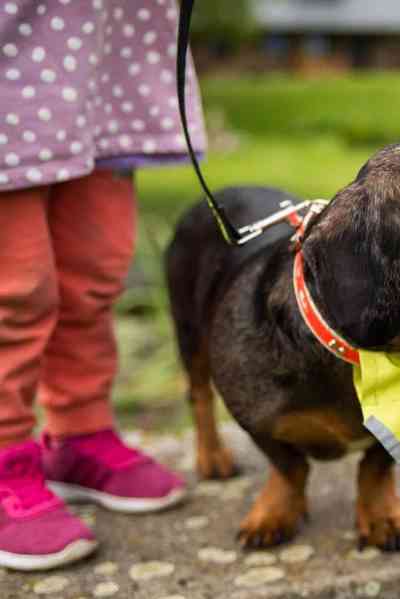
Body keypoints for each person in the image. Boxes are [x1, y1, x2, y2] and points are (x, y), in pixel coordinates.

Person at [0, 0, 207, 571]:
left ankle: (79, 431)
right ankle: (5, 460)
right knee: (12, 288)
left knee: (94, 271)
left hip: (103, 52)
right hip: (12, 65)